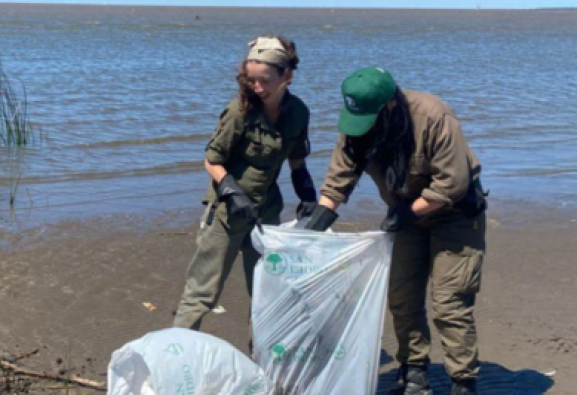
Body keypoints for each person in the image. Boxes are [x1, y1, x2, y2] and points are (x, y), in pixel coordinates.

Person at [304, 67, 488, 395]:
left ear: (390, 105)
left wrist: (408, 213)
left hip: (456, 214)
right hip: (405, 214)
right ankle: (414, 375)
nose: (361, 126)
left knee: (449, 303)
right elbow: (339, 178)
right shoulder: (356, 124)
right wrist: (318, 220)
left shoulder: (433, 115)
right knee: (402, 297)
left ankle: (463, 382)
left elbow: (453, 182)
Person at [173, 35, 318, 331]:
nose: (258, 88)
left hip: (266, 214)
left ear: (286, 76)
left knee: (266, 293)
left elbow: (297, 162)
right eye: (251, 81)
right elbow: (212, 160)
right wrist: (231, 191)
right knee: (201, 293)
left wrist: (307, 196)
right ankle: (176, 350)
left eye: (265, 80)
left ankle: (263, 354)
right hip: (226, 213)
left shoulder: (298, 112)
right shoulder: (238, 111)